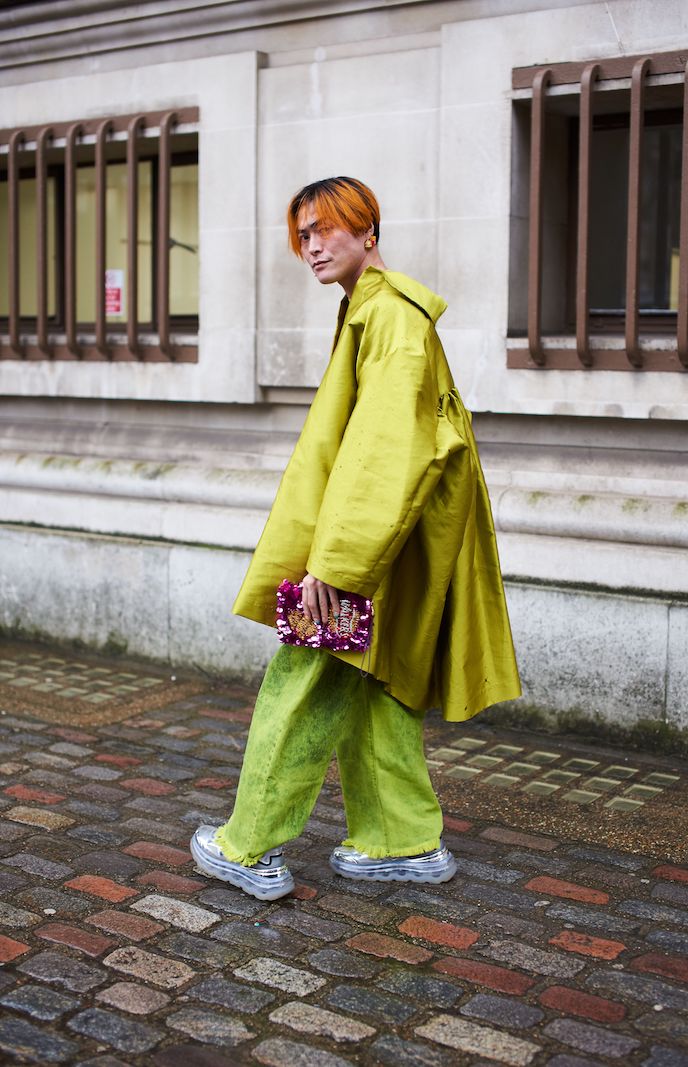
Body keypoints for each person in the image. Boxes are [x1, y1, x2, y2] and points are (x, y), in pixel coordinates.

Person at [190, 177, 520, 900]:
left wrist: (336, 565)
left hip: (370, 548)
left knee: (303, 679)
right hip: (393, 545)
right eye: (301, 235)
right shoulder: (371, 312)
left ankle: (248, 847)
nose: (310, 246)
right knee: (377, 683)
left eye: (324, 230)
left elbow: (386, 451)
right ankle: (401, 840)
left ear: (367, 231)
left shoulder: (390, 318)